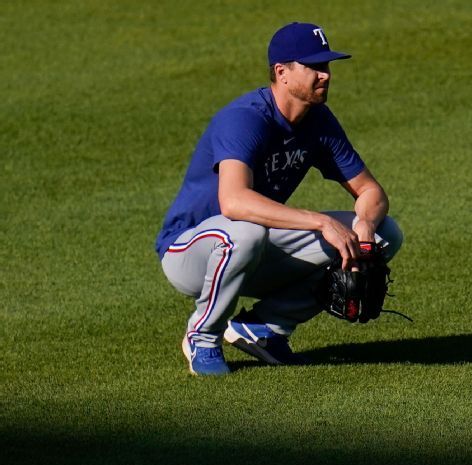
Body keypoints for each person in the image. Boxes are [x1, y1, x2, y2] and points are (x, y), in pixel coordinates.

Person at [155, 22, 403, 376]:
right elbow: (234, 202)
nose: (325, 75)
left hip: (251, 250)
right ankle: (203, 335)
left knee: (383, 235)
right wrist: (321, 222)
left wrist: (364, 223)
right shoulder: (246, 119)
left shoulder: (318, 121)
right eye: (314, 66)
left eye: (327, 66)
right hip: (190, 250)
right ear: (281, 73)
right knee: (246, 231)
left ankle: (264, 328)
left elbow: (371, 192)